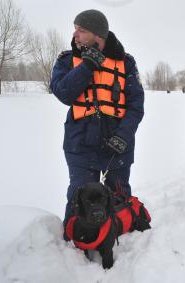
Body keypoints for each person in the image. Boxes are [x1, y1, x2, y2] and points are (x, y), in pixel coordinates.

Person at [50, 9, 144, 239]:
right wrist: (87, 67)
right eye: (76, 28)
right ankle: (74, 243)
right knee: (79, 195)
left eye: (82, 30)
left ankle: (120, 240)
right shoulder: (67, 60)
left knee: (118, 194)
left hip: (117, 143)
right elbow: (63, 93)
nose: (75, 34)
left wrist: (123, 135)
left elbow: (136, 105)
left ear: (98, 34)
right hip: (80, 142)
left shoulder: (127, 63)